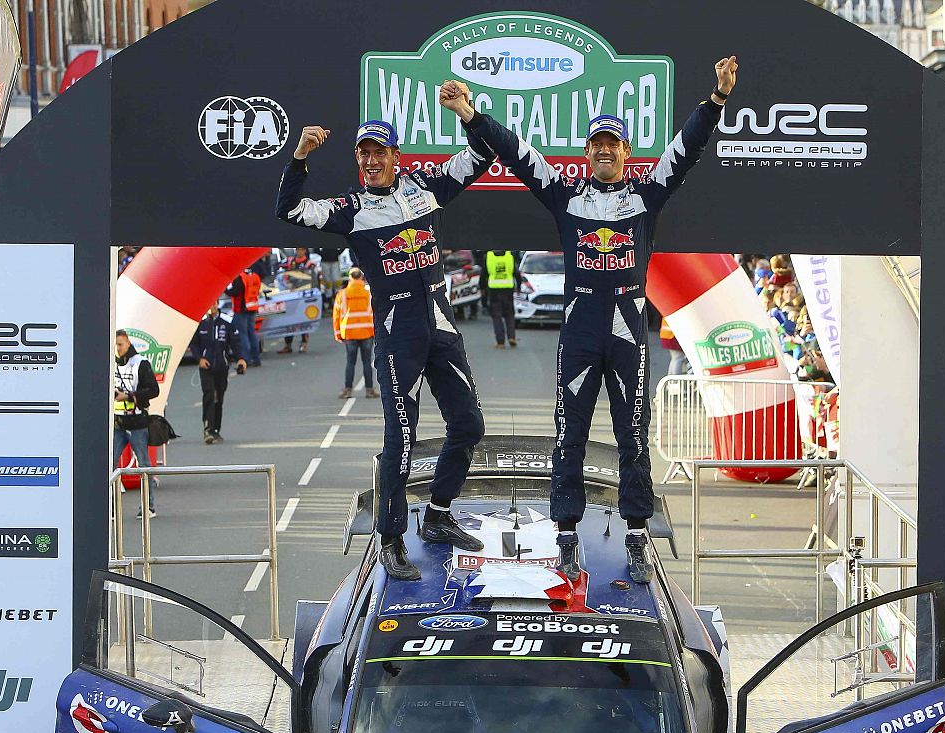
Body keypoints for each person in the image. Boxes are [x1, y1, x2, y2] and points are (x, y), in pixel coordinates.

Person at [444, 57, 737, 582]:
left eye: (614, 143)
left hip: (627, 330)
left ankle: (637, 536)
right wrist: (471, 114)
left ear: (626, 152)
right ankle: (566, 537)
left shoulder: (647, 195)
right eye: (597, 142)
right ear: (587, 151)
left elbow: (686, 149)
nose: (605, 149)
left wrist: (715, 99)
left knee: (633, 435)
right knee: (569, 436)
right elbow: (516, 152)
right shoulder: (566, 195)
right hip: (580, 332)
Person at [276, 112, 492, 580]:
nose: (371, 160)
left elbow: (481, 155)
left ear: (397, 156)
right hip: (398, 330)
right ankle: (391, 539)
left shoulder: (425, 187)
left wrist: (465, 114)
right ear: (357, 160)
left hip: (440, 321)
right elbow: (291, 210)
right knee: (402, 439)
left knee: (469, 424)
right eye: (364, 153)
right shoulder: (350, 208)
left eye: (380, 152)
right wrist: (299, 159)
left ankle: (437, 514)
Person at [112, 329, 159, 513]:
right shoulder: (110, 362)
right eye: (115, 344)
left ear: (128, 344)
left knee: (144, 466)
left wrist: (130, 396)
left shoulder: (140, 363)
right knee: (109, 464)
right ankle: (111, 507)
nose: (117, 348)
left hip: (138, 422)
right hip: (117, 423)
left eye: (120, 344)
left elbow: (154, 390)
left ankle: (148, 506)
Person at [193, 302, 245, 444]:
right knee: (209, 395)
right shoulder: (201, 322)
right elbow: (194, 344)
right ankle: (207, 430)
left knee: (219, 398)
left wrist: (241, 359)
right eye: (209, 304)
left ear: (217, 304)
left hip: (222, 367)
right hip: (206, 367)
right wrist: (200, 358)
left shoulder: (227, 321)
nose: (211, 307)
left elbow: (236, 342)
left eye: (214, 304)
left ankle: (216, 429)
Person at [332, 266, 377, 398]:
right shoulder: (368, 294)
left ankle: (348, 390)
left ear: (350, 278)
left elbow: (336, 315)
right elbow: (376, 313)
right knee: (367, 362)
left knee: (350, 362)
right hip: (367, 332)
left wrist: (337, 333)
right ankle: (369, 390)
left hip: (349, 333)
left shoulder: (342, 294)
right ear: (362, 278)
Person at [227, 267, 263, 368]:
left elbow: (235, 292)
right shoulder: (254, 276)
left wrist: (225, 289)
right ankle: (256, 358)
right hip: (252, 307)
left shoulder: (240, 277)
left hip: (241, 309)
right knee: (252, 333)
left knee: (242, 335)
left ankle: (246, 359)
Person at [484, 249, 517, 348]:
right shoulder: (509, 255)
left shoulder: (489, 256)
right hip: (508, 290)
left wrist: (482, 288)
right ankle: (511, 337)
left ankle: (500, 342)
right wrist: (518, 285)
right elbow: (516, 272)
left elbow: (483, 275)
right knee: (509, 314)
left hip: (494, 291)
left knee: (496, 316)